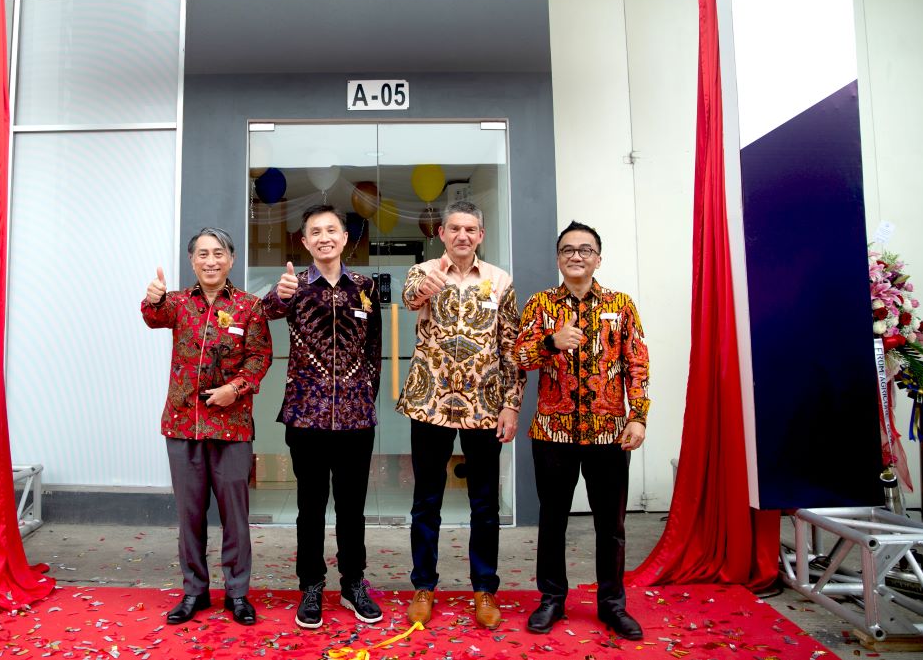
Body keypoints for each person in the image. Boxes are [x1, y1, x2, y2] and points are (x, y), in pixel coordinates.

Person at [514, 220, 650, 641]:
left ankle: (612, 604)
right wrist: (551, 342)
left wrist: (638, 416)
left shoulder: (621, 305)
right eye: (568, 250)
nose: (576, 256)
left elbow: (637, 363)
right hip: (552, 434)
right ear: (558, 259)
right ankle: (552, 599)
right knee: (552, 519)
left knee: (611, 524)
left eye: (585, 249)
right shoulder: (540, 304)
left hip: (609, 434)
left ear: (598, 259)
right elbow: (519, 357)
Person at [397, 199, 524, 630]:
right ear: (442, 234)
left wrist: (511, 404)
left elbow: (511, 348)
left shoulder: (500, 281)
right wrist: (428, 285)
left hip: (485, 406)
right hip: (429, 402)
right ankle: (423, 586)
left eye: (470, 229)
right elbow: (409, 298)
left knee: (484, 504)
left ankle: (484, 588)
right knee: (426, 502)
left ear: (481, 235)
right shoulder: (423, 271)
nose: (462, 236)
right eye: (454, 228)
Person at [141, 227, 272, 627]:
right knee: (190, 516)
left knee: (236, 517)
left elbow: (260, 357)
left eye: (218, 253)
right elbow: (153, 318)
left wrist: (236, 389)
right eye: (202, 254)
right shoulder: (177, 302)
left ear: (231, 260)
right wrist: (152, 299)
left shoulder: (250, 306)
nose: (210, 261)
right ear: (192, 261)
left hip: (232, 426)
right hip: (184, 425)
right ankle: (195, 591)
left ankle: (238, 593)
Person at [262, 204, 383, 628]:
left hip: (355, 418)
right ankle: (311, 585)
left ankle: (353, 583)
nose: (324, 237)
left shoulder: (365, 286)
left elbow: (374, 349)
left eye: (332, 230)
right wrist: (279, 295)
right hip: (306, 417)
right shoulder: (294, 285)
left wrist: (365, 396)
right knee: (309, 507)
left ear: (345, 238)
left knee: (352, 508)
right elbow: (264, 313)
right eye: (315, 231)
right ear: (305, 241)